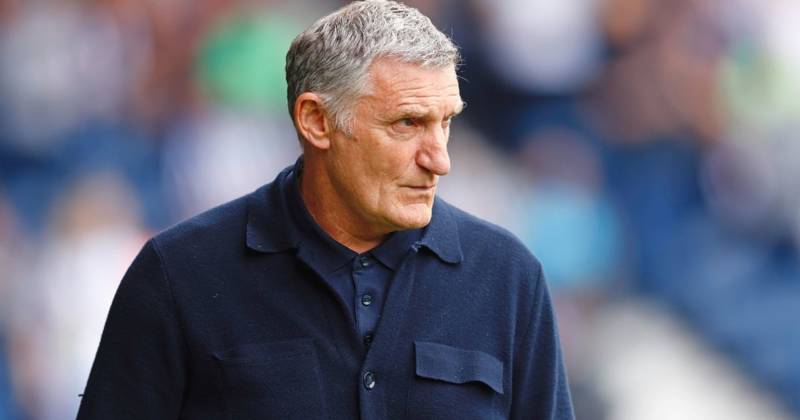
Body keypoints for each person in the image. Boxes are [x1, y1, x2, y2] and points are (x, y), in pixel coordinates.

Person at [77, 1, 575, 419]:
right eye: (407, 124)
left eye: (445, 123)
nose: (439, 159)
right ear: (316, 121)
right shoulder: (179, 275)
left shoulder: (508, 277)